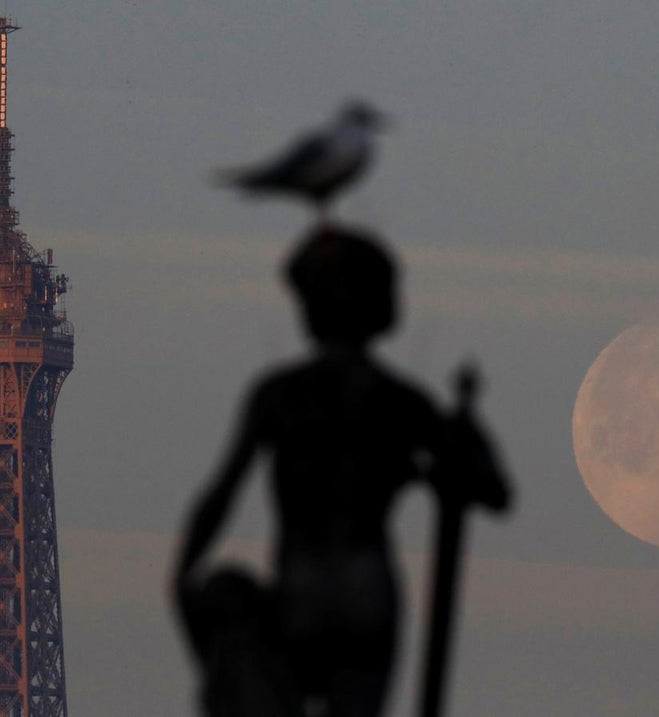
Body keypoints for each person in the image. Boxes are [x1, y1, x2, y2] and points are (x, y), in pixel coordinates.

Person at [173, 224, 509, 717]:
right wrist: (463, 440)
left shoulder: (280, 394)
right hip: (368, 590)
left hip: (302, 585)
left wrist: (184, 569)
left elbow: (220, 496)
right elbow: (491, 490)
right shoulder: (402, 402)